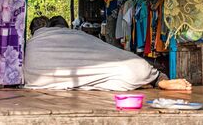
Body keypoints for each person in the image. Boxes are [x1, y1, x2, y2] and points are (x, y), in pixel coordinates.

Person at [24, 16, 191, 91]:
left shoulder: (30, 44)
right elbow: (98, 47)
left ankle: (151, 81)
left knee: (99, 77)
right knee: (131, 65)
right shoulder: (75, 34)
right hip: (133, 71)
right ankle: (157, 80)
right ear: (65, 27)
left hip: (39, 78)